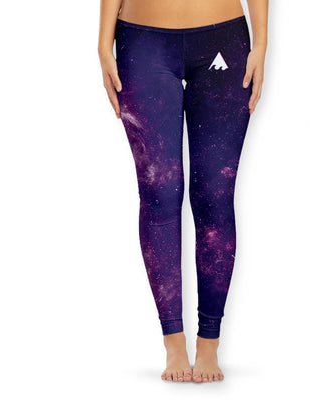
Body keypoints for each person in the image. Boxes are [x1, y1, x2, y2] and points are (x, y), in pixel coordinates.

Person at [98, 0, 268, 383]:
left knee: (215, 194)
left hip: (223, 36)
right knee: (159, 190)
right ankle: (173, 340)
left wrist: (261, 42)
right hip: (142, 40)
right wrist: (103, 42)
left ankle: (209, 341)